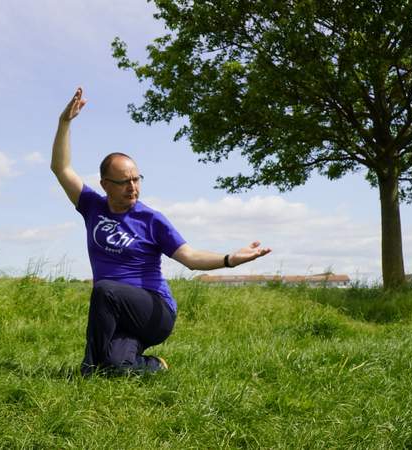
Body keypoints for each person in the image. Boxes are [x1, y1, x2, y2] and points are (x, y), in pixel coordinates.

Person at [51, 87, 272, 376]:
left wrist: (230, 258)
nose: (133, 187)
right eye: (124, 182)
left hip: (154, 310)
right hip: (118, 312)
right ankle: (151, 365)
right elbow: (60, 167)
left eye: (136, 179)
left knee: (104, 290)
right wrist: (64, 123)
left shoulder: (151, 219)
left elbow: (190, 258)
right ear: (105, 184)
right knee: (116, 366)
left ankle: (88, 370)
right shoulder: (92, 205)